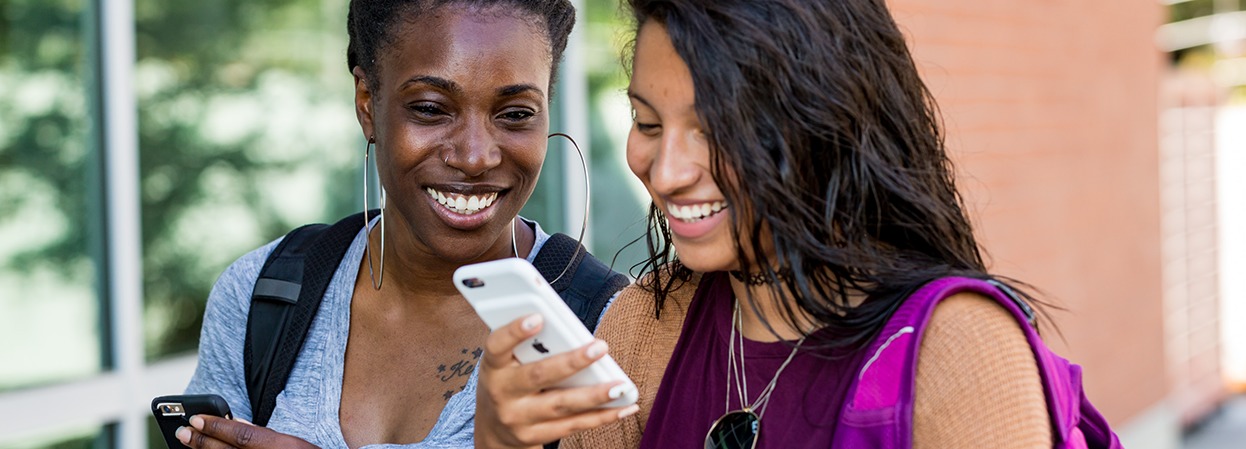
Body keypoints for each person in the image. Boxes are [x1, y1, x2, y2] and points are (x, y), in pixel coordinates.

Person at [471, 0, 1062, 448]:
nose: (669, 172)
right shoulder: (641, 329)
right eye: (647, 123)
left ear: (828, 123)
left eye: (718, 130)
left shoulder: (958, 352)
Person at [179, 1, 627, 448]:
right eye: (431, 109)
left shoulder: (607, 331)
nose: (474, 157)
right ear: (368, 103)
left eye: (515, 114)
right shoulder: (265, 294)